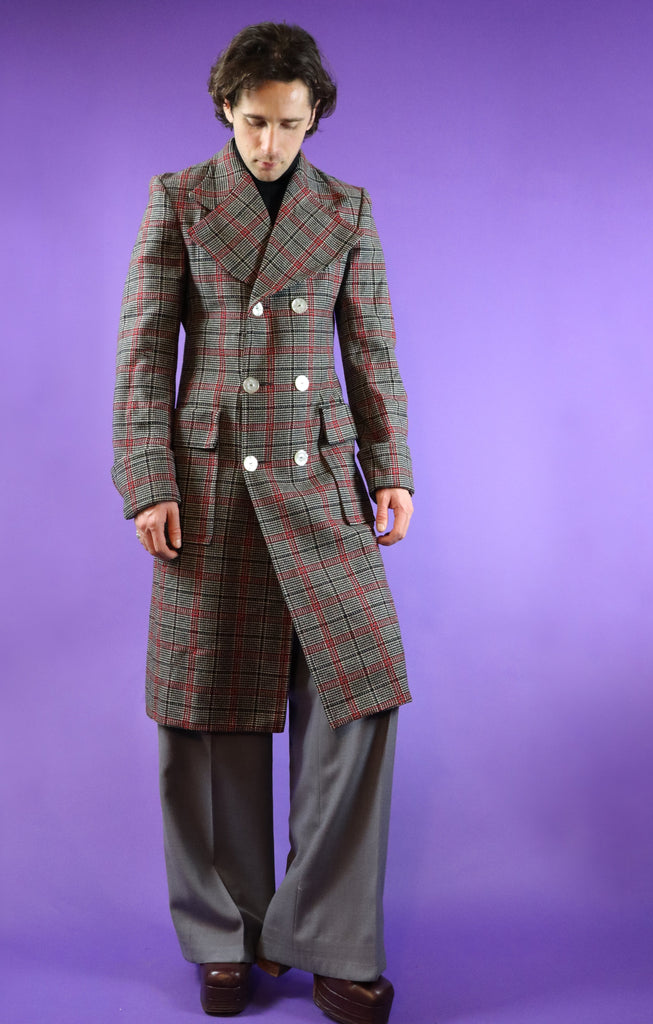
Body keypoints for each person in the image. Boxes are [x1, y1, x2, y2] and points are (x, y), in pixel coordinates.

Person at [112, 22, 414, 1024]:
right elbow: (143, 351)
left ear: (314, 115)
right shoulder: (179, 200)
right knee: (206, 712)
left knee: (358, 694)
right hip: (210, 485)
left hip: (318, 478)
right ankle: (227, 938)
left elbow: (370, 350)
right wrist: (148, 478)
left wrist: (392, 470)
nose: (270, 143)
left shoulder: (347, 209)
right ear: (225, 111)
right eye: (253, 122)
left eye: (288, 123)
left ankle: (325, 937)